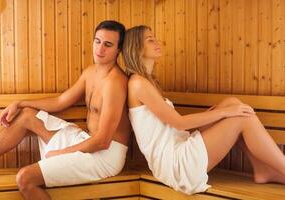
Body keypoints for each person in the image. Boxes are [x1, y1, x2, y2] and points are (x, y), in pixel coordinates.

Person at [122, 25, 285, 195]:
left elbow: (173, 128)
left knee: (232, 102)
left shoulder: (147, 82)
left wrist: (218, 114)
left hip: (179, 147)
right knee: (241, 116)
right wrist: (222, 114)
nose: (157, 42)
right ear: (136, 48)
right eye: (150, 40)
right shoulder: (138, 83)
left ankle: (261, 169)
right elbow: (179, 123)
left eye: (155, 38)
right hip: (175, 164)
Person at [0, 20, 131, 200]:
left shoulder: (115, 83)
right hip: (86, 140)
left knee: (25, 178)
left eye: (108, 45)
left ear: (118, 50)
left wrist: (60, 153)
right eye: (97, 41)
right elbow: (61, 101)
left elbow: (103, 142)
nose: (100, 49)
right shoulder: (90, 72)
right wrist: (20, 103)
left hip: (105, 156)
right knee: (27, 116)